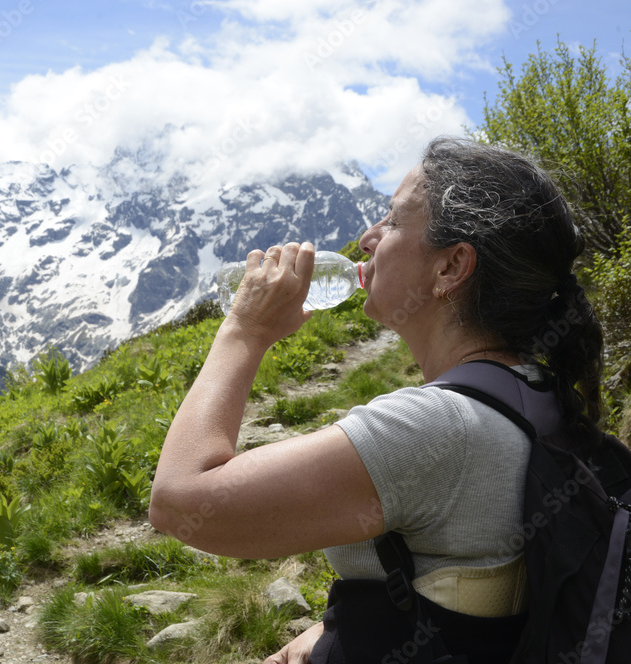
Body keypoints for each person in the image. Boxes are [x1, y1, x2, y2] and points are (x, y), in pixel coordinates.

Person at [148, 136, 606, 663]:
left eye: (391, 220)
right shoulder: (539, 393)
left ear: (451, 268)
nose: (367, 238)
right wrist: (337, 630)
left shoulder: (437, 427)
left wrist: (244, 329)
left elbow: (180, 502)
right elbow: (468, 588)